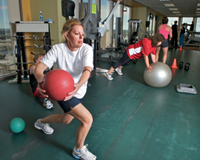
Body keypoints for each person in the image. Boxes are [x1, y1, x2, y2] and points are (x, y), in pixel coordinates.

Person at [34, 19, 96, 160]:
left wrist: (78, 86)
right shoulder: (58, 49)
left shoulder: (86, 49)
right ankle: (78, 150)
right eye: (76, 33)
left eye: (82, 33)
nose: (81, 37)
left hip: (78, 90)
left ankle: (41, 122)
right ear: (67, 35)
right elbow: (40, 67)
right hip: (62, 91)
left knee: (65, 120)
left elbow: (87, 70)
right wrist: (40, 80)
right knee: (87, 120)